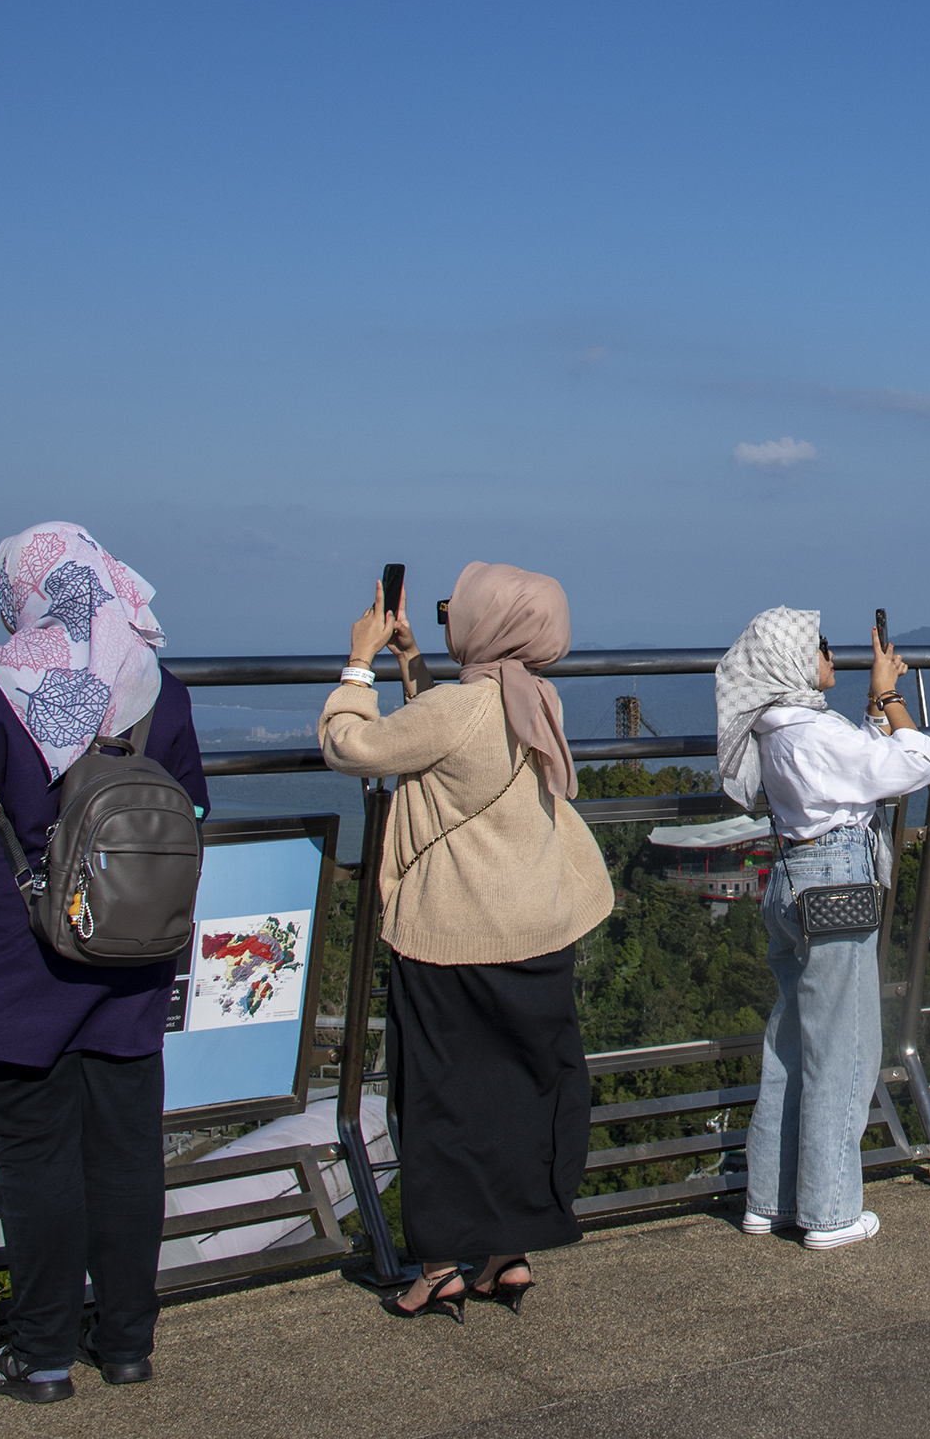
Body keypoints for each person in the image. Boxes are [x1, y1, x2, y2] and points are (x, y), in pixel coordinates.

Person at [0, 522, 206, 1403]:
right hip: (129, 951)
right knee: (126, 1153)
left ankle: (40, 1356)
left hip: (16, 960)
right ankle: (128, 1343)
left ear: (24, 592)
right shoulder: (156, 686)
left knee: (35, 1161)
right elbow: (190, 804)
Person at [321, 562, 611, 1321]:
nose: (452, 616)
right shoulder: (536, 698)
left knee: (442, 1100)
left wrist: (359, 662)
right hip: (537, 924)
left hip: (455, 933)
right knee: (521, 1091)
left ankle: (441, 1266)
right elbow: (456, 739)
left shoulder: (461, 708)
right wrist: (413, 659)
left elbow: (353, 746)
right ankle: (509, 1254)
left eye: (458, 609)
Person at [713, 608, 930, 1248]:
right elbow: (917, 762)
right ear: (791, 662)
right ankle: (830, 1211)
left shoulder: (778, 726)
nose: (831, 654)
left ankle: (770, 1200)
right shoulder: (812, 732)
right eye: (820, 646)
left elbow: (847, 773)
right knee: (844, 1049)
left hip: (791, 880)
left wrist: (869, 707)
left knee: (791, 1045)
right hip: (835, 885)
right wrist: (891, 699)